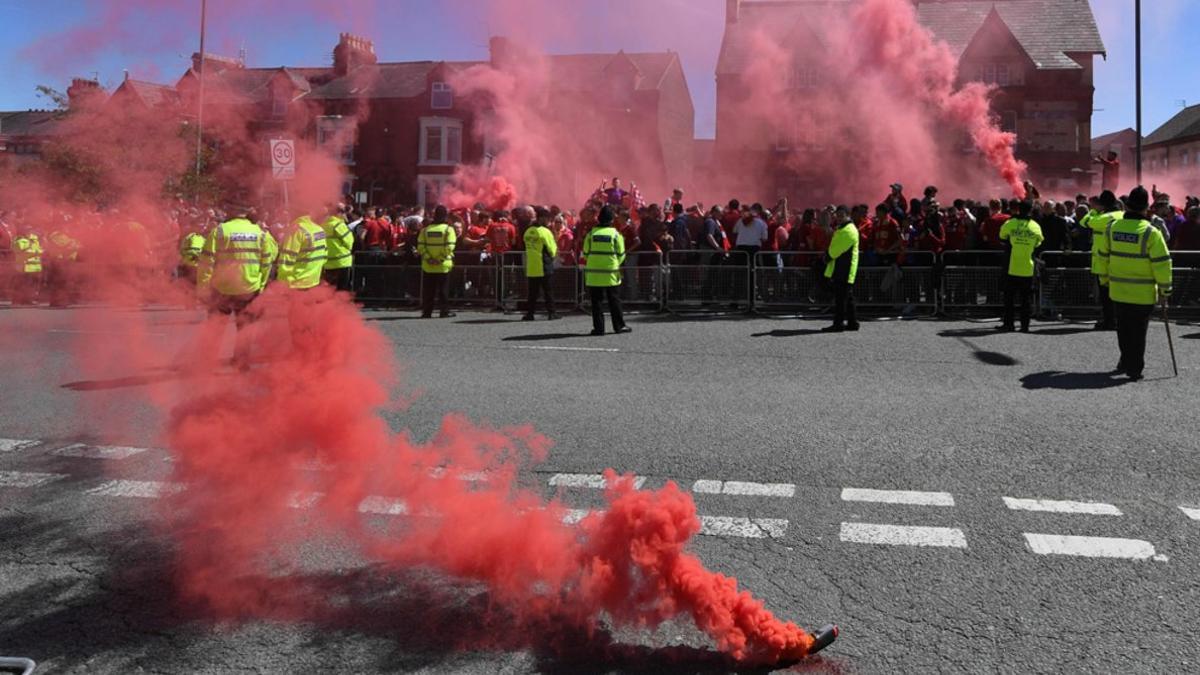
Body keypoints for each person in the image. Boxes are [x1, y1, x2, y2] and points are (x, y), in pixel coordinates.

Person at [1096, 186, 1172, 381]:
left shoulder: (1112, 228)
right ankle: (1134, 368)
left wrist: (1104, 279)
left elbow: (1102, 256)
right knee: (1139, 332)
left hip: (1118, 290)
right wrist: (1165, 290)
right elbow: (1162, 264)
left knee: (1123, 329)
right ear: (1146, 208)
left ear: (1127, 206)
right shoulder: (1151, 233)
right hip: (1143, 293)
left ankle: (1125, 360)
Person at [196, 207, 277, 369]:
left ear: (230, 213)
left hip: (222, 288)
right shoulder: (260, 233)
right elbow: (268, 260)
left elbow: (206, 262)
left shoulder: (219, 231)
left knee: (216, 325)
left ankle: (207, 362)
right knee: (245, 327)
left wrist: (203, 287)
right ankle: (241, 362)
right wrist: (261, 284)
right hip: (249, 287)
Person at [997, 200, 1044, 333]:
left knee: (1009, 298)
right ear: (1030, 210)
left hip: (1011, 266)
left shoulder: (1010, 223)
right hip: (1027, 268)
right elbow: (1039, 243)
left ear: (1018, 209)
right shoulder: (1035, 226)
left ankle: (1009, 324)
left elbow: (1001, 237)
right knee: (1026, 300)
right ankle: (1025, 326)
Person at [582, 206, 630, 336]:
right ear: (611, 220)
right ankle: (619, 326)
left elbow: (585, 253)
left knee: (596, 302)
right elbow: (621, 254)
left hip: (593, 274)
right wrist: (614, 264)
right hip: (610, 273)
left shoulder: (591, 234)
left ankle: (599, 329)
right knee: (614, 301)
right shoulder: (616, 234)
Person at [1086, 190, 1124, 330]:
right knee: (1120, 294)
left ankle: (1109, 322)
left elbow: (1086, 222)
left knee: (1106, 296)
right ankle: (1118, 321)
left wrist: (1095, 210)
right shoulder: (1123, 215)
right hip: (1120, 260)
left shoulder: (1101, 218)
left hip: (1102, 263)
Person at [822, 206, 860, 332]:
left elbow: (837, 249)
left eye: (841, 215)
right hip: (843, 267)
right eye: (837, 215)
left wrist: (828, 255)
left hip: (844, 268)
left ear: (848, 215)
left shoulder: (848, 230)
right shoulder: (845, 228)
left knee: (840, 298)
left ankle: (838, 324)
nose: (838, 218)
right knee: (847, 297)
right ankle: (852, 322)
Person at [416, 205, 457, 319]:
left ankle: (427, 312)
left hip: (428, 265)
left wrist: (429, 258)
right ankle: (444, 311)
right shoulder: (449, 230)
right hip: (443, 265)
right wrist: (439, 259)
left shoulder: (425, 230)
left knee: (428, 291)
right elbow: (450, 247)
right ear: (445, 215)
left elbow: (420, 247)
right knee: (443, 290)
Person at [522, 206, 559, 321]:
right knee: (548, 291)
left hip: (531, 266)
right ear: (543, 219)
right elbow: (552, 249)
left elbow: (524, 245)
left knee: (532, 293)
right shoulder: (545, 231)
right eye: (548, 219)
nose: (549, 222)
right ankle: (552, 313)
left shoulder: (528, 231)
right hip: (543, 265)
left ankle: (530, 314)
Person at [277, 214, 328, 291]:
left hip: (296, 282)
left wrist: (281, 283)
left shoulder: (296, 230)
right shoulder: (319, 229)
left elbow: (287, 259)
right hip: (314, 280)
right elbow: (324, 255)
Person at [321, 205, 355, 291]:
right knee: (342, 290)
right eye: (343, 212)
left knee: (330, 289)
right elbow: (349, 242)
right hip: (342, 261)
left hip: (328, 263)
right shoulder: (339, 225)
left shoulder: (323, 225)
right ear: (339, 213)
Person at [12, 227, 42, 306]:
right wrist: (36, 251)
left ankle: (28, 299)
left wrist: (37, 251)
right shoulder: (19, 240)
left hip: (34, 267)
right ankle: (17, 300)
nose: (29, 232)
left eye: (30, 230)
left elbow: (40, 249)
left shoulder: (34, 240)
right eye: (27, 230)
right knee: (21, 284)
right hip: (23, 267)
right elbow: (21, 250)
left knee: (31, 285)